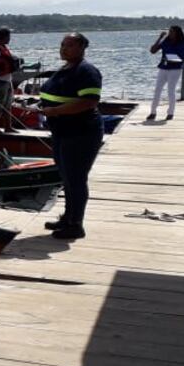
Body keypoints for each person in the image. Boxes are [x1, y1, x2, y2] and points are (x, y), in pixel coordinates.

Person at [39, 32, 103, 240]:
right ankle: (68, 217)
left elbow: (89, 102)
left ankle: (76, 224)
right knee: (66, 177)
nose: (63, 49)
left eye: (69, 45)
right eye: (62, 45)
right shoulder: (65, 68)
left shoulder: (87, 71)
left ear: (82, 48)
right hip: (62, 132)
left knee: (76, 178)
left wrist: (55, 111)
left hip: (81, 132)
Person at [147, 25, 184, 121]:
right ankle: (153, 112)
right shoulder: (166, 41)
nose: (170, 33)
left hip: (175, 69)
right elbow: (153, 51)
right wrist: (160, 38)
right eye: (170, 31)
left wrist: (170, 58)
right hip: (163, 68)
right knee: (157, 90)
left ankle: (170, 113)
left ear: (177, 33)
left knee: (170, 90)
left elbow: (182, 58)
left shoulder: (182, 43)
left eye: (172, 31)